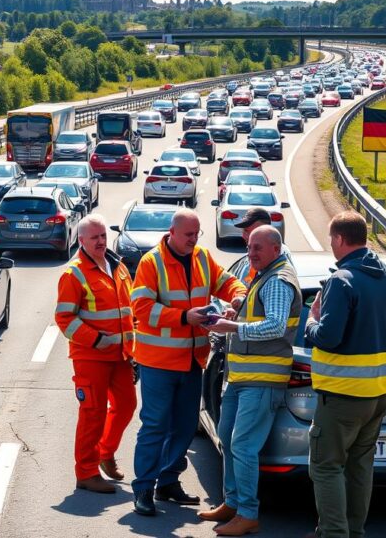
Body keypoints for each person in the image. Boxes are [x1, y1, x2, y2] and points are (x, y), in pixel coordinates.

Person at [129, 208, 246, 516]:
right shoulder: (151, 262)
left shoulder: (202, 257)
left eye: (197, 235)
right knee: (155, 425)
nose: (193, 240)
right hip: (158, 361)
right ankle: (143, 488)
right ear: (172, 232)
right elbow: (140, 308)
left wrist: (237, 296)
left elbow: (227, 280)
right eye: (188, 236)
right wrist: (184, 317)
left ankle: (167, 483)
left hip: (192, 361)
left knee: (183, 428)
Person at [304, 211, 386, 538]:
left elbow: (328, 337)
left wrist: (311, 321)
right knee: (360, 466)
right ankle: (354, 532)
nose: (331, 244)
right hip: (380, 394)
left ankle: (334, 533)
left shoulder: (341, 280)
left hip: (343, 394)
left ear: (340, 239)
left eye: (331, 239)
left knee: (325, 465)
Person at [199, 226, 302, 536]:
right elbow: (258, 317)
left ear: (275, 248)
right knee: (228, 439)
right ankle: (231, 503)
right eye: (249, 247)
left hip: (262, 380)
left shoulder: (278, 280)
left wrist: (233, 327)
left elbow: (274, 326)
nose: (251, 253)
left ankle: (247, 513)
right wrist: (236, 313)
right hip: (241, 377)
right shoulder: (262, 275)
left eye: (258, 247)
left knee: (243, 445)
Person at [55, 214, 138, 494]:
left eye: (103, 236)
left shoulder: (118, 266)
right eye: (94, 237)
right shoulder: (73, 273)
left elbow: (128, 311)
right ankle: (86, 472)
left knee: (127, 406)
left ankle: (105, 453)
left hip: (121, 355)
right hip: (91, 357)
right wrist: (96, 340)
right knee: (93, 414)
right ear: (81, 241)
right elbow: (65, 318)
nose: (101, 241)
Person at [230, 208, 290, 288]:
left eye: (249, 231)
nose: (244, 236)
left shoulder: (280, 254)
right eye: (244, 231)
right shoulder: (247, 259)